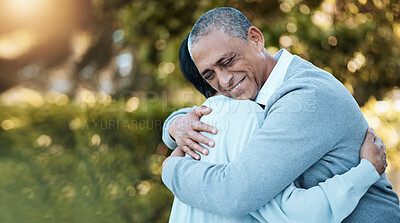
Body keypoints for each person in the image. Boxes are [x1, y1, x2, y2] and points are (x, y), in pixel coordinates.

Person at [162, 7, 400, 222]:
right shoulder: (257, 91)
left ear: (255, 39)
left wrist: (171, 169)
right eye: (209, 75)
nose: (224, 80)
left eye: (227, 61)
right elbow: (218, 108)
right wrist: (175, 125)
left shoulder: (304, 97)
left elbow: (235, 193)